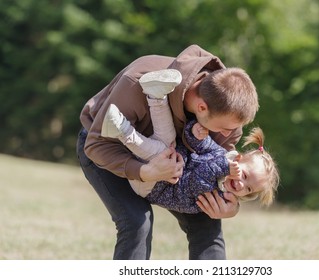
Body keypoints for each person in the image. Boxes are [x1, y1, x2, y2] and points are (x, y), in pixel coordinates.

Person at [77, 44, 259, 259]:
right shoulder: (139, 79)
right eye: (224, 128)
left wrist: (232, 205)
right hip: (110, 149)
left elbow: (219, 161)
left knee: (208, 226)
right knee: (137, 222)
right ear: (202, 107)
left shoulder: (227, 110)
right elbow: (96, 145)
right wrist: (145, 172)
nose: (230, 134)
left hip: (177, 174)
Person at [101, 69, 279, 214]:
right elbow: (201, 147)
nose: (241, 185)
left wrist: (224, 167)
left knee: (162, 150)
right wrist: (195, 133)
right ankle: (156, 96)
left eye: (248, 189)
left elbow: (197, 179)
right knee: (168, 140)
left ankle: (122, 131)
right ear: (238, 159)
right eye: (245, 176)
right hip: (164, 167)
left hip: (153, 186)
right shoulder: (221, 156)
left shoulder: (219, 197)